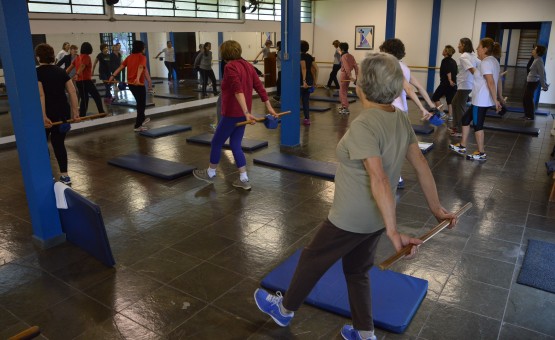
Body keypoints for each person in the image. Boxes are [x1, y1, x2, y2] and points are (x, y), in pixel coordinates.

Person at [254, 52, 457, 340]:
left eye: (356, 74)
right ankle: (364, 332)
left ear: (362, 86)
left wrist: (394, 232)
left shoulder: (364, 124)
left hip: (351, 217)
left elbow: (379, 178)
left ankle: (284, 310)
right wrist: (437, 209)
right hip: (375, 217)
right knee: (357, 270)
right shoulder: (399, 118)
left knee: (312, 259)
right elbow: (421, 165)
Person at [192, 40, 277, 190]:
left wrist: (246, 112)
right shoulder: (247, 65)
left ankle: (211, 173)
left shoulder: (230, 66)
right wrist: (268, 107)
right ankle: (243, 179)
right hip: (242, 114)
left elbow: (238, 91)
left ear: (224, 53)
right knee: (235, 144)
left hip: (232, 113)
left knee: (216, 143)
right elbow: (259, 86)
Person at [380, 38, 435, 189]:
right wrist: (430, 104)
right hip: (402, 111)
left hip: (392, 110)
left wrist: (422, 108)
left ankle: (395, 176)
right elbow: (420, 87)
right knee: (394, 144)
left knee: (390, 145)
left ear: (387, 51)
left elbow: (409, 89)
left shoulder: (392, 66)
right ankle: (394, 175)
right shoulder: (404, 66)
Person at [450, 38, 505, 161]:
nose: (476, 49)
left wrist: (496, 100)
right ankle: (463, 146)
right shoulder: (493, 61)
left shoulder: (486, 62)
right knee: (465, 119)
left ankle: (481, 153)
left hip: (481, 100)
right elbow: (498, 80)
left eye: (479, 47)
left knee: (478, 125)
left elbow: (491, 82)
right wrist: (499, 97)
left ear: (485, 49)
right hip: (480, 99)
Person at [35, 43, 80, 185]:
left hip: (47, 113)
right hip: (62, 113)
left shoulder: (36, 73)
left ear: (38, 58)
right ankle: (65, 175)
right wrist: (75, 112)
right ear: (52, 56)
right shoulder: (61, 72)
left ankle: (47, 174)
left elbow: (41, 95)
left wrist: (43, 116)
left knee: (42, 144)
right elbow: (72, 91)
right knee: (58, 144)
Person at [108, 40, 153, 132]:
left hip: (132, 84)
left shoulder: (129, 57)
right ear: (141, 48)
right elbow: (140, 67)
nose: (145, 49)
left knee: (140, 103)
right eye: (144, 47)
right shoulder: (142, 57)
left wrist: (112, 76)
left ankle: (142, 119)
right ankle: (138, 125)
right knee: (141, 105)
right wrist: (137, 78)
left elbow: (144, 70)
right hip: (138, 84)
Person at [65, 42, 106, 118]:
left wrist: (63, 74)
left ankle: (82, 115)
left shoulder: (77, 57)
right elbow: (82, 66)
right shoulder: (86, 57)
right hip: (86, 81)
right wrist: (77, 74)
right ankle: (101, 112)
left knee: (84, 99)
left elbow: (69, 68)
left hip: (79, 82)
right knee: (96, 96)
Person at [449, 38, 480, 137]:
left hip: (465, 86)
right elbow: (481, 65)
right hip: (466, 85)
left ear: (464, 45)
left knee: (460, 107)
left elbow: (472, 70)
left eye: (459, 44)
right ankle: (456, 126)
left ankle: (461, 130)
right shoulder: (473, 56)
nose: (458, 46)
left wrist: (482, 80)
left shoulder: (463, 56)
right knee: (454, 103)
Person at [523, 45, 549, 120]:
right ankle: (527, 115)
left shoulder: (539, 61)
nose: (533, 50)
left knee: (528, 98)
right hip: (530, 82)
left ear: (538, 52)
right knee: (525, 98)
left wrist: (544, 86)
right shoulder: (536, 59)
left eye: (535, 49)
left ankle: (530, 116)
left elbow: (542, 74)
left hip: (533, 83)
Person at [432, 45, 458, 120]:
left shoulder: (445, 60)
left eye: (444, 50)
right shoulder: (453, 61)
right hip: (453, 84)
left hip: (445, 83)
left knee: (435, 97)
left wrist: (449, 80)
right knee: (450, 100)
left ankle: (441, 113)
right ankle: (450, 116)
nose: (442, 51)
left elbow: (448, 71)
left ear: (446, 52)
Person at [300, 40, 318, 126]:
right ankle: (307, 119)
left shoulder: (301, 56)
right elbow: (316, 68)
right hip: (309, 80)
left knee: (297, 99)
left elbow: (303, 68)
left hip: (303, 81)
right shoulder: (310, 57)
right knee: (305, 100)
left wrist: (304, 81)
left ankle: (294, 117)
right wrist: (315, 81)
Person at [338, 42, 358, 115]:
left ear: (342, 49)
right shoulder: (351, 56)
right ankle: (344, 106)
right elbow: (356, 66)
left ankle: (345, 108)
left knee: (342, 91)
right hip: (348, 74)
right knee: (345, 90)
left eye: (340, 48)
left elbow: (346, 66)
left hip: (344, 74)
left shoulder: (343, 56)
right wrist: (356, 76)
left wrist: (350, 76)